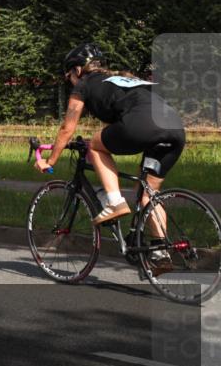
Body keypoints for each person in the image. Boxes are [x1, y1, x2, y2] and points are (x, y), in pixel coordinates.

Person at [35, 43, 186, 270]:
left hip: (144, 124)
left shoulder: (84, 84)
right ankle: (160, 252)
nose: (71, 83)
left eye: (69, 77)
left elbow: (67, 127)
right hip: (174, 128)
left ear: (77, 71)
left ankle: (114, 202)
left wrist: (51, 160)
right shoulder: (119, 79)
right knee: (147, 194)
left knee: (95, 146)